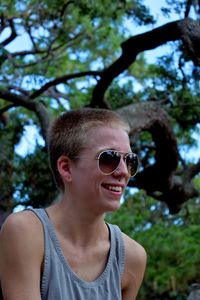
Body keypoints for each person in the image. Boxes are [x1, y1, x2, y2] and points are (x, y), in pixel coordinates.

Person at [0, 108, 147, 299]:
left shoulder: (132, 257)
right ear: (66, 168)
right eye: (109, 158)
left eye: (130, 160)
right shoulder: (26, 232)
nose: (124, 172)